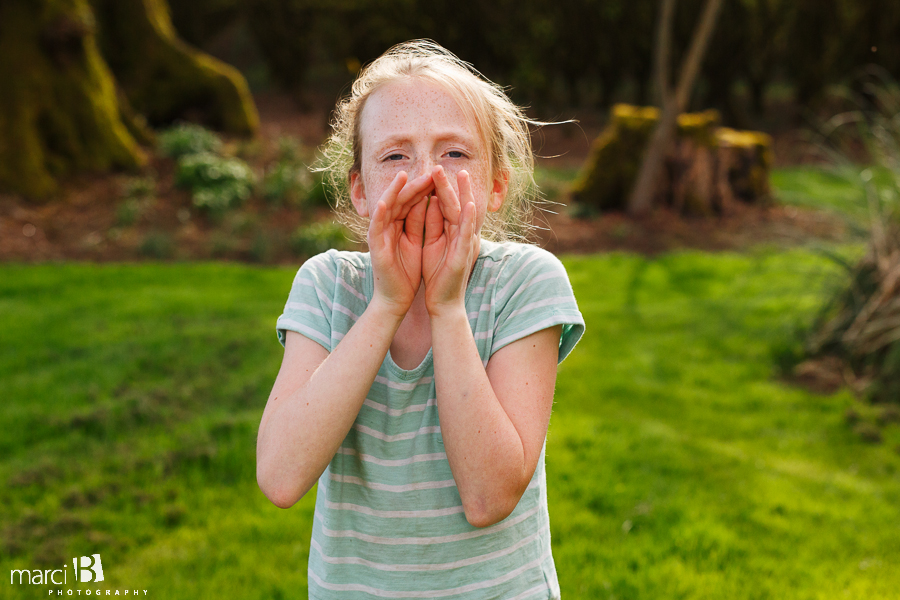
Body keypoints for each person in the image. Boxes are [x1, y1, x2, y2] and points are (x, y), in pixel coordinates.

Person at [256, 40, 585, 599]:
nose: (427, 176)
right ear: (360, 190)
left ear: (496, 185)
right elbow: (281, 477)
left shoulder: (525, 282)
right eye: (395, 156)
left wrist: (446, 307)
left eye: (455, 154)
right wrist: (386, 304)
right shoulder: (329, 286)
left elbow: (488, 496)